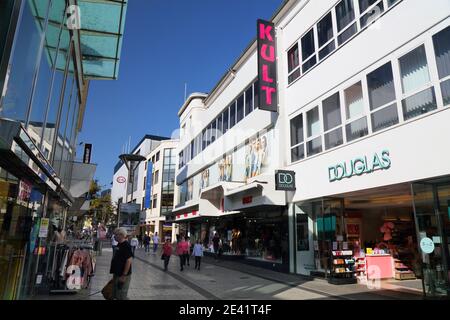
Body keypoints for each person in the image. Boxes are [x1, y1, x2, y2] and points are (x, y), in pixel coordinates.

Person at [109, 228, 133, 300]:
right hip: (117, 273)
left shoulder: (126, 245)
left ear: (121, 235)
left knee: (121, 295)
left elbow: (129, 261)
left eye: (116, 235)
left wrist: (124, 275)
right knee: (116, 294)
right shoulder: (119, 244)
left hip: (122, 274)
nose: (114, 236)